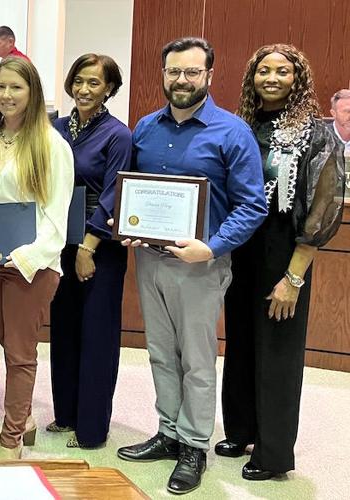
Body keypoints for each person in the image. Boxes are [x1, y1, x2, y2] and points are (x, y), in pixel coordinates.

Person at [114, 37, 267, 495]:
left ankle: (195, 445)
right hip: (150, 259)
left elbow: (252, 205)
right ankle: (168, 432)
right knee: (160, 352)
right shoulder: (144, 127)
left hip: (201, 265)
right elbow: (134, 192)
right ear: (163, 74)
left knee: (197, 360)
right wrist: (128, 224)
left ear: (209, 76)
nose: (181, 80)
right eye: (173, 71)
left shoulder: (231, 131)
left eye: (191, 72)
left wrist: (214, 247)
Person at [217, 44, 344, 481]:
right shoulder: (240, 126)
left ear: (298, 79)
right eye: (263, 71)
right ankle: (240, 430)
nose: (271, 78)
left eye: (282, 72)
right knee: (240, 342)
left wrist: (294, 277)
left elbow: (324, 207)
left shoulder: (316, 133)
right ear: (251, 78)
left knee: (277, 350)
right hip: (241, 249)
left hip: (284, 252)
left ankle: (272, 452)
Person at [0, 56, 74, 459]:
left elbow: (57, 217)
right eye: (1, 87)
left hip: (31, 265)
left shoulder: (52, 145)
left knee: (21, 354)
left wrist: (30, 256)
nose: (7, 96)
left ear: (33, 93)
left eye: (16, 88)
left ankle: (11, 442)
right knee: (7, 345)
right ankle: (24, 420)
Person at [47, 53, 131, 448]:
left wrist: (88, 246)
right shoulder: (55, 127)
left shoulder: (118, 134)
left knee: (96, 335)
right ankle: (65, 415)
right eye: (79, 80)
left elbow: (115, 193)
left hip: (98, 246)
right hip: (58, 242)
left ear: (109, 89)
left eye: (94, 83)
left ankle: (92, 429)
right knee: (63, 329)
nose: (83, 89)